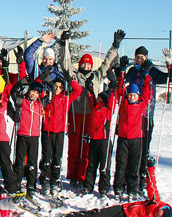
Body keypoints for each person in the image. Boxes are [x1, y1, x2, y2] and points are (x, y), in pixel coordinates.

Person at [59, 29, 124, 187]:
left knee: (87, 147)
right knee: (74, 147)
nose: (86, 65)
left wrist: (115, 46)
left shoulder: (96, 76)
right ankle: (73, 174)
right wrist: (63, 43)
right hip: (75, 113)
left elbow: (107, 63)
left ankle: (84, 176)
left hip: (91, 115)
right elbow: (64, 63)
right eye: (83, 63)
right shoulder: (75, 75)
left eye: (88, 64)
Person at [56, 159, 172, 217]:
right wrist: (150, 168)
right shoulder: (155, 202)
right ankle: (71, 216)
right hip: (124, 209)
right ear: (164, 212)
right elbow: (152, 186)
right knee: (98, 213)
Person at [124, 46, 172, 186]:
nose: (140, 59)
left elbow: (171, 78)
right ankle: (127, 177)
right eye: (138, 56)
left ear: (146, 58)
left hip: (146, 115)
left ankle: (142, 177)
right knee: (128, 149)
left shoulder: (152, 71)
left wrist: (170, 64)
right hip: (131, 116)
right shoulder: (132, 71)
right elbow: (121, 80)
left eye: (142, 57)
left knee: (143, 148)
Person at [39, 71, 81, 196]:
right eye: (55, 86)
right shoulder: (47, 97)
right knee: (47, 156)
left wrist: (70, 80)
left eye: (60, 87)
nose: (57, 89)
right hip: (47, 130)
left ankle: (55, 180)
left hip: (60, 131)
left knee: (57, 157)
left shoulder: (66, 98)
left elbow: (78, 90)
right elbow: (37, 87)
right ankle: (45, 179)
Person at [113, 64, 153, 199]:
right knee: (121, 164)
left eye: (134, 95)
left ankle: (132, 189)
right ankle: (118, 187)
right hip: (124, 137)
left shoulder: (142, 105)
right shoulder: (123, 103)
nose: (132, 97)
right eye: (130, 95)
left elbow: (148, 91)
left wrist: (147, 76)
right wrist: (122, 74)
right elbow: (120, 91)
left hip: (137, 139)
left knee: (134, 165)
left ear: (138, 96)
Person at [9, 79, 45, 194]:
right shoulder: (22, 101)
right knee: (19, 160)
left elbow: (52, 94)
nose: (33, 94)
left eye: (36, 93)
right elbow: (12, 93)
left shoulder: (40, 104)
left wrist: (47, 79)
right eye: (32, 91)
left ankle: (31, 184)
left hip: (34, 136)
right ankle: (17, 182)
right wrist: (19, 83)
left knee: (32, 161)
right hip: (22, 134)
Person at [81, 90, 115, 197]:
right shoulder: (94, 107)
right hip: (94, 140)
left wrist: (113, 89)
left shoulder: (107, 109)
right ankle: (88, 186)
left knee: (104, 166)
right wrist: (89, 89)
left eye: (100, 97)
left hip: (104, 141)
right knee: (91, 165)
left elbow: (112, 101)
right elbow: (90, 99)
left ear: (104, 100)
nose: (97, 98)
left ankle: (104, 188)